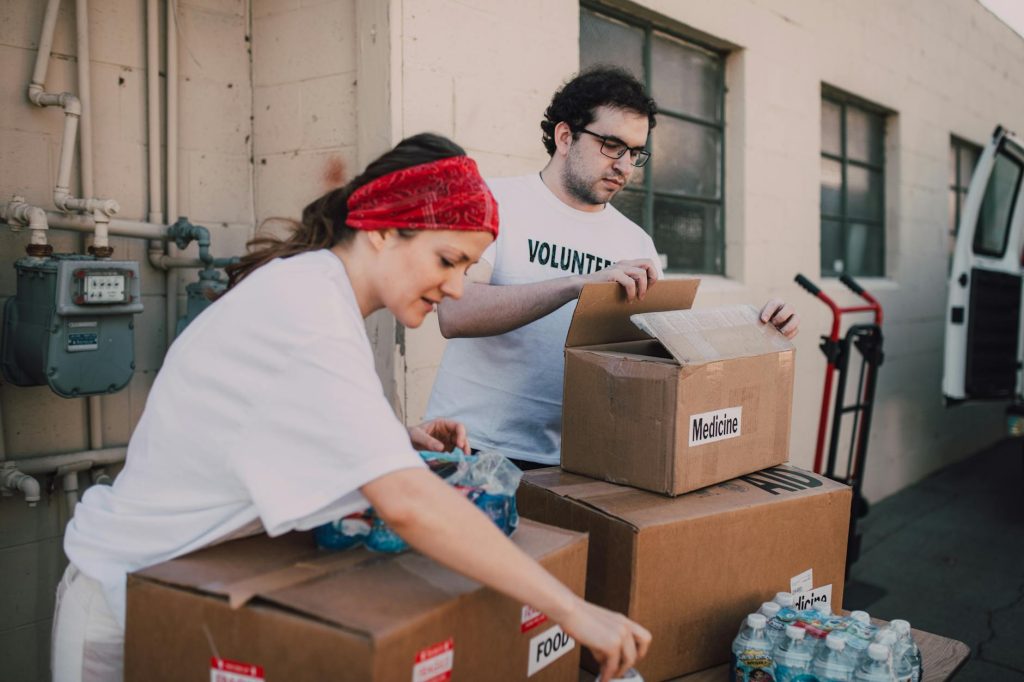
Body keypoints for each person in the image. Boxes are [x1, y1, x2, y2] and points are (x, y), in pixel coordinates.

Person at [52, 134, 651, 682]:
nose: (458, 289)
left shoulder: (318, 292)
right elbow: (411, 507)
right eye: (447, 260)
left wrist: (394, 437)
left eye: (469, 268)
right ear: (384, 230)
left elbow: (275, 417)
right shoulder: (307, 309)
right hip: (129, 602)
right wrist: (572, 609)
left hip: (191, 586)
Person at [427, 67, 799, 469]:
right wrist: (577, 284)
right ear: (565, 136)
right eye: (611, 145)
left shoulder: (636, 244)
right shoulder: (494, 201)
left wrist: (758, 331)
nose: (625, 166)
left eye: (635, 152)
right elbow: (454, 312)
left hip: (571, 462)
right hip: (469, 447)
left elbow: (659, 355)